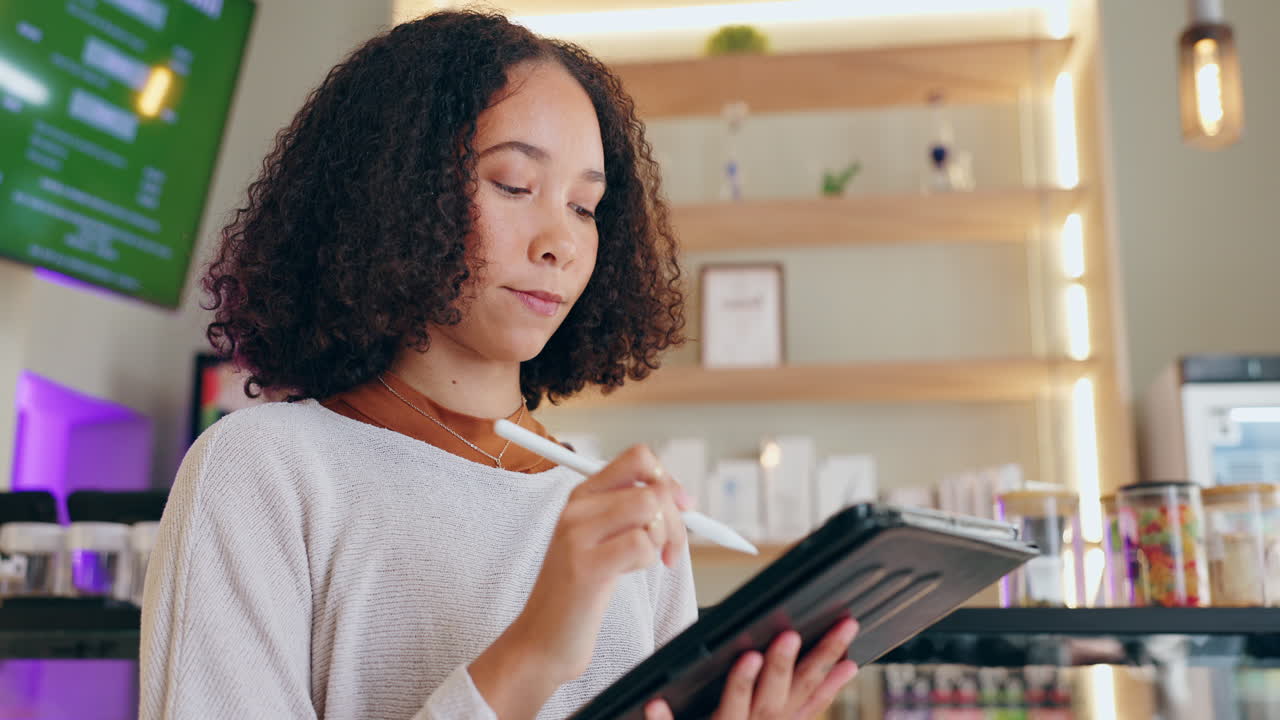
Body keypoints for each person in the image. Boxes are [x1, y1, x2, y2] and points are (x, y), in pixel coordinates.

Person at [140, 10, 859, 720]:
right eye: (514, 185)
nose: (561, 243)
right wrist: (534, 653)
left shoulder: (620, 513)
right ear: (396, 192)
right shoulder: (264, 472)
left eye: (585, 207)